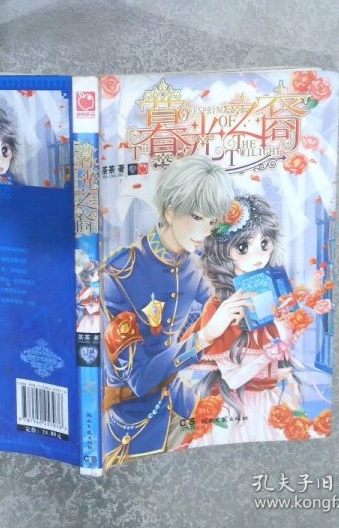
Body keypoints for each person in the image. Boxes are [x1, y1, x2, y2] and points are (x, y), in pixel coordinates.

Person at [101, 155, 251, 468]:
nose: (205, 231)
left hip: (182, 407)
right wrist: (204, 336)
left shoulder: (194, 270)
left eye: (212, 222)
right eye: (197, 217)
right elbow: (140, 379)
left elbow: (215, 315)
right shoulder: (122, 274)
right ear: (170, 210)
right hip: (134, 424)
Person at [185, 195, 302, 447]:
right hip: (232, 408)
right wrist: (268, 357)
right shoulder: (218, 307)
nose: (258, 255)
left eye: (264, 244)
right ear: (223, 251)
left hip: (268, 402)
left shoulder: (274, 294)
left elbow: (279, 358)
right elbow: (232, 379)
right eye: (243, 247)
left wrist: (283, 339)